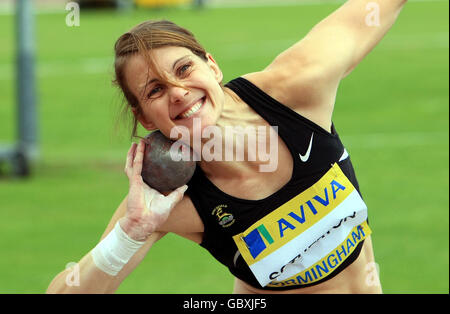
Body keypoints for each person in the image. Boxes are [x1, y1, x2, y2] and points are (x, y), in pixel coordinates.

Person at [47, 0, 407, 294]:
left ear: (212, 65)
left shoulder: (295, 89)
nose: (178, 92)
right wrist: (129, 234)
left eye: (184, 69)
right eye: (155, 90)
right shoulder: (168, 200)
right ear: (145, 119)